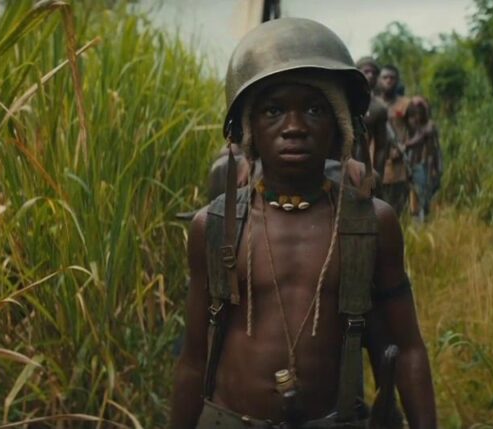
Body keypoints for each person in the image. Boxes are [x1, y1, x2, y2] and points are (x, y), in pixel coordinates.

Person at [170, 18, 436, 428]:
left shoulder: (370, 223)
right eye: (273, 110)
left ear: (340, 126)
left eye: (315, 109)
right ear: (248, 128)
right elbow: (192, 360)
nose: (294, 128)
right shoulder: (217, 226)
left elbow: (407, 348)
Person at [376, 65, 409, 215]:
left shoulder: (406, 104)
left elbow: (417, 131)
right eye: (385, 77)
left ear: (397, 80)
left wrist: (404, 147)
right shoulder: (371, 104)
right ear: (379, 80)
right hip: (375, 164)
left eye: (392, 78)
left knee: (397, 213)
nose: (388, 81)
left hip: (398, 166)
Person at [403, 96, 440, 222]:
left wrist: (404, 146)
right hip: (413, 165)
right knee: (413, 194)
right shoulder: (413, 125)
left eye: (420, 111)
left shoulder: (429, 126)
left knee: (424, 195)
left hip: (426, 166)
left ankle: (424, 219)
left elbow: (419, 139)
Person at [355, 57, 391, 187]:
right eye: (366, 71)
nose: (370, 75)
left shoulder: (378, 108)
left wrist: (377, 177)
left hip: (361, 169)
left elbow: (381, 147)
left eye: (374, 73)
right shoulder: (342, 100)